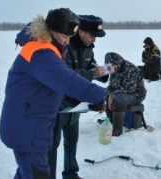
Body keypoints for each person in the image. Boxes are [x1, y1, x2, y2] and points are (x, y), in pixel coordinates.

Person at [0, 8, 106, 179]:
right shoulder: (41, 52)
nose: (66, 42)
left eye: (70, 37)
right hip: (27, 129)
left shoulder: (49, 48)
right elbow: (68, 80)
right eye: (64, 36)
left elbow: (54, 89)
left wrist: (80, 101)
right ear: (51, 30)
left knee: (27, 173)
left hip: (32, 127)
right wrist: (100, 95)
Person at [48, 15, 108, 179]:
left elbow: (90, 64)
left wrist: (103, 73)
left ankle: (70, 173)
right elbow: (65, 76)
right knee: (52, 145)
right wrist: (91, 74)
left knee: (72, 141)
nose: (94, 39)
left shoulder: (88, 47)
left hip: (75, 104)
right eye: (92, 35)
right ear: (80, 32)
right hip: (58, 104)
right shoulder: (65, 47)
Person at [101, 52, 147, 136]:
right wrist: (109, 95)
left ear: (116, 63)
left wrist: (113, 95)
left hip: (136, 95)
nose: (110, 68)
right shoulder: (113, 69)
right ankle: (110, 121)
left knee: (119, 97)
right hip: (121, 93)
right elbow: (111, 86)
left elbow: (129, 89)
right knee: (105, 93)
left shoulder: (130, 68)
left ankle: (117, 129)